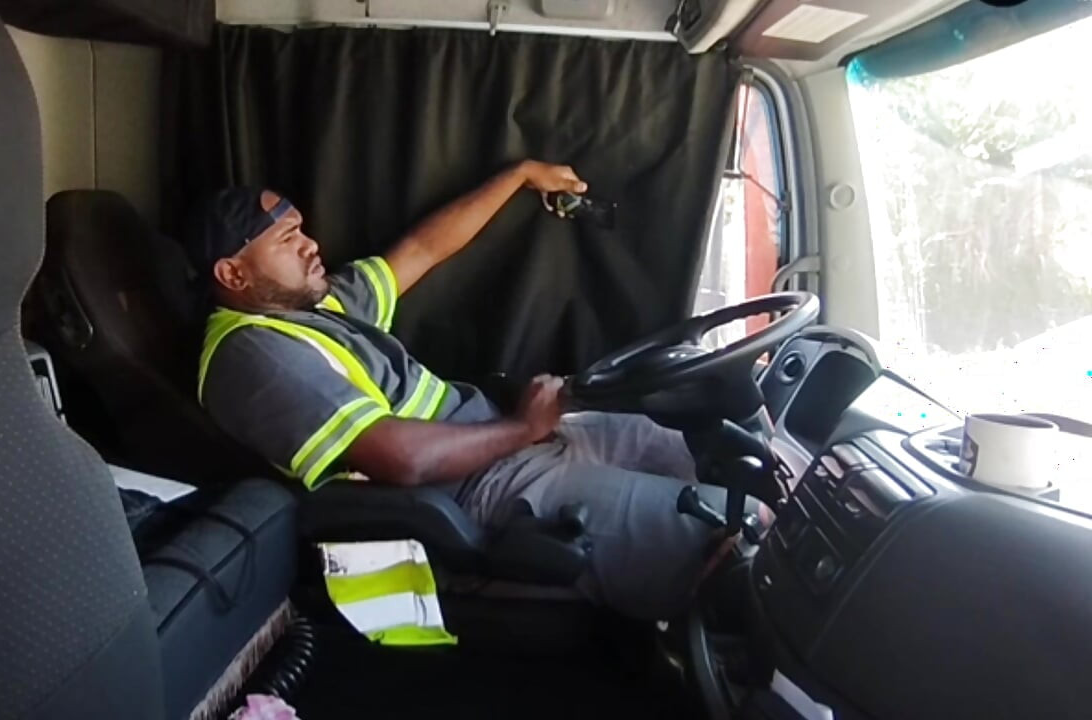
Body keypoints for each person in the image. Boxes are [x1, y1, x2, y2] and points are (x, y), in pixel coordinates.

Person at [192, 161, 730, 620]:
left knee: (715, 447)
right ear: (233, 274)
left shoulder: (311, 308)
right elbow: (402, 461)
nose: (312, 245)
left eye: (302, 230)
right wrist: (523, 427)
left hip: (516, 441)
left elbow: (424, 249)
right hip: (478, 487)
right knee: (711, 538)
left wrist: (521, 176)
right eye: (288, 239)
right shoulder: (252, 355)